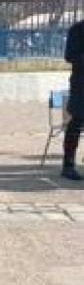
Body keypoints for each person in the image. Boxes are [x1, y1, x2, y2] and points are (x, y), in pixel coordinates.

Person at [61, 18, 84, 180]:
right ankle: (68, 165)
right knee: (76, 122)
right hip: (81, 84)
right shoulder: (77, 29)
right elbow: (70, 56)